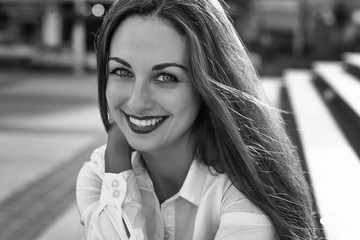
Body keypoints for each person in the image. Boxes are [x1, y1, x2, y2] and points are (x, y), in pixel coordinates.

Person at [76, 0, 318, 239]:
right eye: (122, 72)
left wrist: (117, 148)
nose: (137, 102)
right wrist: (117, 162)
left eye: (166, 77)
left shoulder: (242, 192)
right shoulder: (103, 175)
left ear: (207, 86)